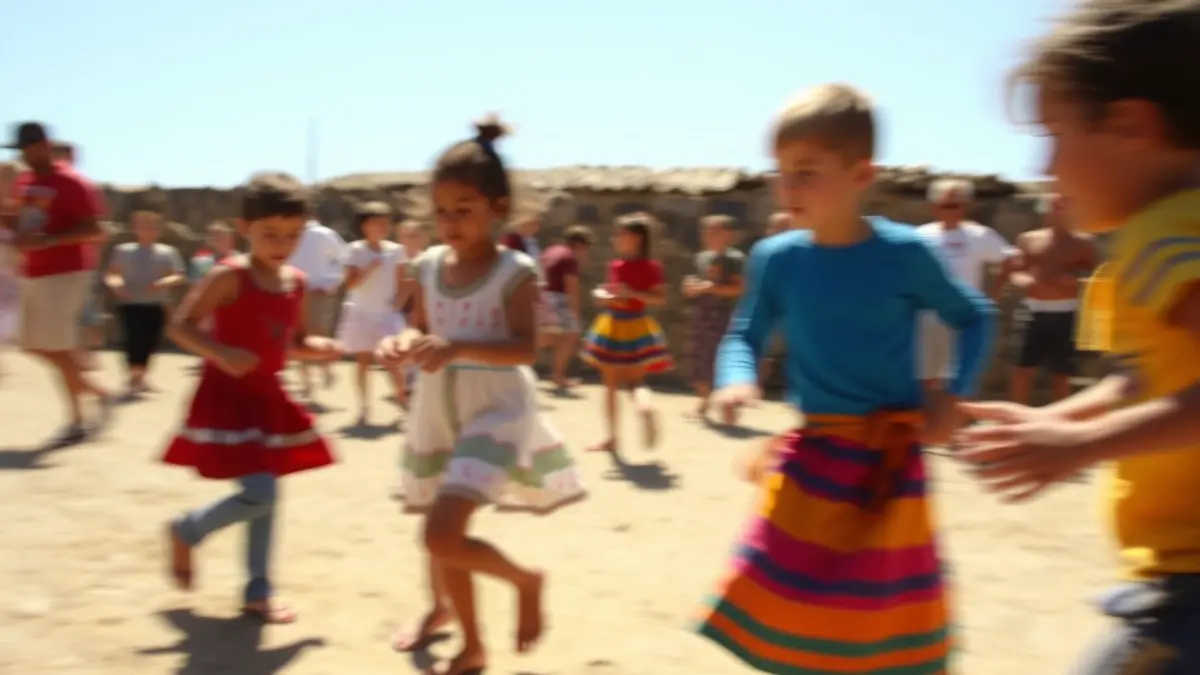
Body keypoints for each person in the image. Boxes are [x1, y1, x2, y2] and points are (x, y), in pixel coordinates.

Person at [695, 83, 995, 675]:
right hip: (812, 458)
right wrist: (735, 379)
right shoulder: (776, 258)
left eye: (806, 172)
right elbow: (744, 335)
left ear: (862, 173)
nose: (788, 188)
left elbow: (975, 315)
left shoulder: (903, 252)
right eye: (781, 172)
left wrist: (953, 394)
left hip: (888, 465)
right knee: (784, 604)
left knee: (880, 618)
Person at [955, 3, 1200, 673]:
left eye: (1056, 134)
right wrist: (1056, 418)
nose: (1046, 167)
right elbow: (1154, 374)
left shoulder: (1165, 235)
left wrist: (1086, 443)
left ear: (1130, 125)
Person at [375, 116, 585, 675]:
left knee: (440, 533)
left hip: (496, 413)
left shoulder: (515, 271)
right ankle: (471, 644)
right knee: (445, 538)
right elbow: (416, 329)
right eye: (441, 211)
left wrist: (457, 345)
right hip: (436, 414)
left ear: (497, 208)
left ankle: (524, 580)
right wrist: (398, 346)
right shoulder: (424, 267)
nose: (449, 222)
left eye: (463, 210)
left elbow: (523, 349)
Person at [162, 171, 341, 624]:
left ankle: (258, 590)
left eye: (292, 235)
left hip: (268, 398)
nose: (281, 244)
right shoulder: (230, 276)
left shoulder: (295, 282)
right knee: (260, 491)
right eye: (270, 234)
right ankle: (188, 530)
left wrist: (318, 350)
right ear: (245, 228)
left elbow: (293, 341)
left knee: (269, 496)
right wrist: (220, 353)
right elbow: (180, 326)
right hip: (225, 395)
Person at [4, 122, 112, 443]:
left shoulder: (72, 182)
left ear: (45, 145)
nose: (23, 155)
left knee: (54, 345)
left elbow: (95, 229)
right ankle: (96, 392)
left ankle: (78, 420)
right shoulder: (26, 182)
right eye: (20, 150)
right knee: (32, 344)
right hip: (34, 271)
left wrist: (50, 241)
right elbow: (24, 222)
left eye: (28, 148)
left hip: (65, 272)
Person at [580, 212, 673, 453]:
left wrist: (629, 294)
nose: (614, 239)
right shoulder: (626, 266)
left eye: (618, 234)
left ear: (634, 238)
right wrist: (605, 296)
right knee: (635, 382)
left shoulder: (645, 267)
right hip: (632, 326)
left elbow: (659, 298)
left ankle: (612, 437)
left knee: (610, 385)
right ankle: (646, 407)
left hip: (618, 327)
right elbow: (625, 296)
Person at [1002, 192, 1099, 404]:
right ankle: (1015, 422)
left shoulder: (1084, 242)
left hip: (1066, 314)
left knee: (1060, 375)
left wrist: (1076, 278)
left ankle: (1063, 424)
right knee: (1021, 371)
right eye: (1054, 206)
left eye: (1063, 206)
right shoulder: (1028, 239)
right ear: (1044, 210)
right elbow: (1016, 270)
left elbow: (1096, 274)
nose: (1058, 210)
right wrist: (1022, 280)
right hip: (1031, 312)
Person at [915, 177, 1011, 391]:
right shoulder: (920, 235)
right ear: (933, 206)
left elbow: (1009, 259)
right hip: (926, 315)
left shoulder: (979, 234)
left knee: (957, 376)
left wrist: (992, 296)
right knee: (925, 375)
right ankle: (925, 420)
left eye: (954, 205)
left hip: (961, 316)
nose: (948, 210)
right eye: (943, 205)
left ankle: (953, 421)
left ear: (965, 206)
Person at [337, 201, 407, 424]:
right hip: (361, 312)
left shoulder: (396, 250)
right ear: (365, 225)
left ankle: (403, 404)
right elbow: (350, 284)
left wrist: (398, 304)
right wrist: (369, 269)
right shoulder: (354, 250)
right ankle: (364, 407)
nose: (383, 227)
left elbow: (402, 280)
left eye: (386, 223)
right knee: (363, 361)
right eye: (377, 223)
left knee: (393, 360)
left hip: (386, 313)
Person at [105, 202, 186, 396]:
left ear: (158, 229)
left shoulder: (167, 252)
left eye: (152, 226)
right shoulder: (122, 250)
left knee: (151, 340)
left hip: (156, 303)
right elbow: (112, 274)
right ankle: (135, 377)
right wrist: (116, 284)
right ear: (135, 227)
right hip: (130, 302)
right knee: (133, 339)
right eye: (143, 225)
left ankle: (141, 376)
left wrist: (164, 282)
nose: (147, 229)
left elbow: (179, 274)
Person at [683, 214, 745, 419]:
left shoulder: (735, 260)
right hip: (703, 313)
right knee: (700, 356)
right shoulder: (702, 257)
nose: (709, 235)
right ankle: (703, 401)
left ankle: (729, 406)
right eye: (706, 230)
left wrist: (713, 288)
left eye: (715, 231)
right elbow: (694, 281)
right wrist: (691, 287)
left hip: (725, 315)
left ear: (728, 234)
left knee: (722, 358)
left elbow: (740, 288)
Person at [286, 216, 347, 399]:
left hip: (318, 291)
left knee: (319, 333)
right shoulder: (289, 233)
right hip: (294, 290)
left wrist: (331, 281)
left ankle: (326, 367)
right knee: (298, 336)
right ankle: (307, 382)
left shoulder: (323, 234)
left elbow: (344, 257)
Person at [537, 224, 593, 391]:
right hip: (558, 299)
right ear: (580, 245)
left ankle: (555, 374)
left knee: (548, 335)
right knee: (569, 337)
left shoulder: (552, 250)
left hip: (541, 296)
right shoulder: (570, 258)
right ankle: (558, 375)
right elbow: (572, 289)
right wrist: (575, 315)